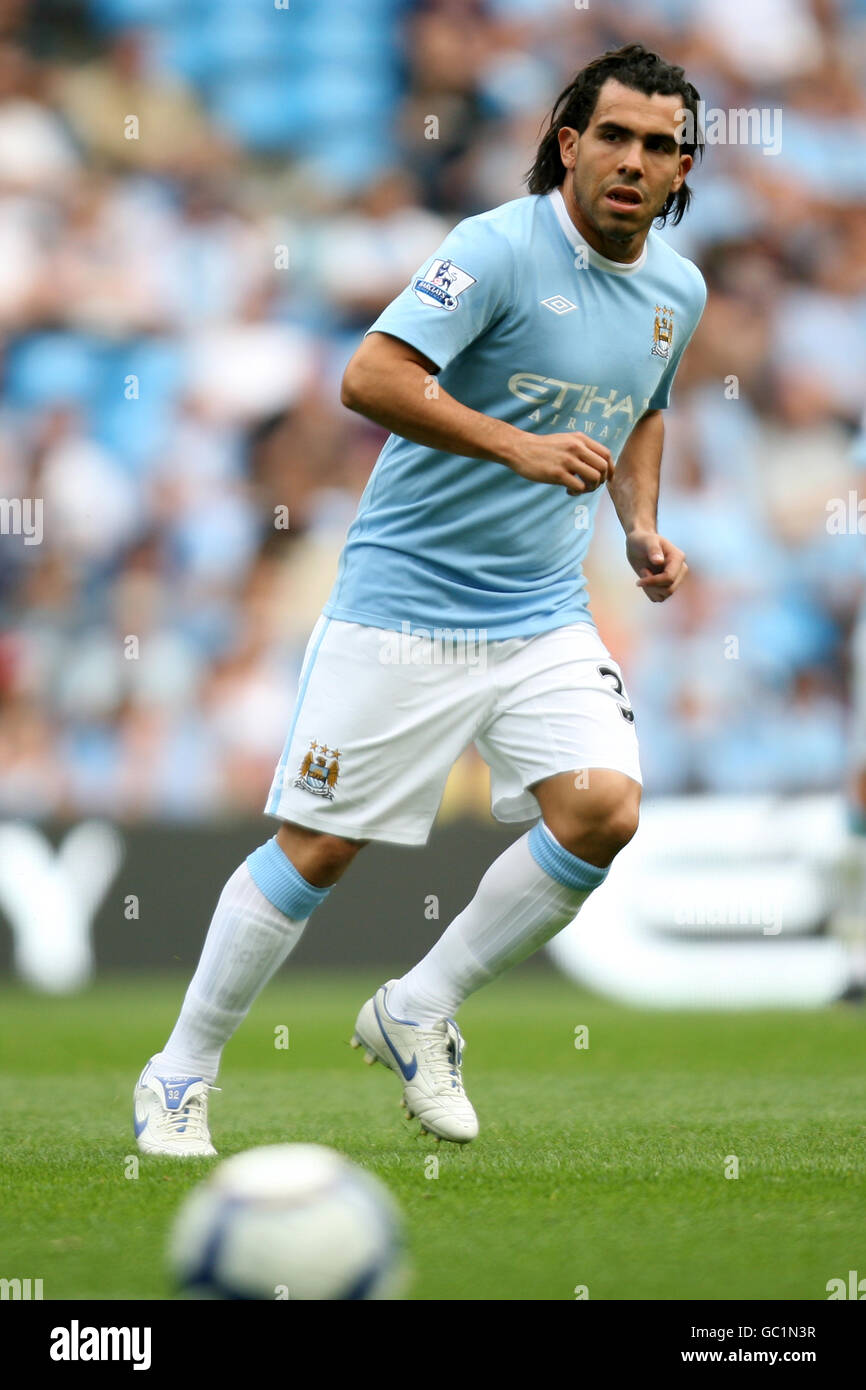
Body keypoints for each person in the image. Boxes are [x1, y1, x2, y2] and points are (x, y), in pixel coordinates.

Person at [133, 42, 707, 1155]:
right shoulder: (489, 249)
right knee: (319, 851)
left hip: (541, 610)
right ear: (567, 143)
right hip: (405, 600)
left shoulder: (674, 289)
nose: (634, 161)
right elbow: (370, 377)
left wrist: (638, 525)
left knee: (602, 809)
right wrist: (514, 446)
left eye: (659, 145)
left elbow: (643, 407)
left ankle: (416, 1005)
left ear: (682, 169)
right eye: (615, 137)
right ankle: (179, 1071)